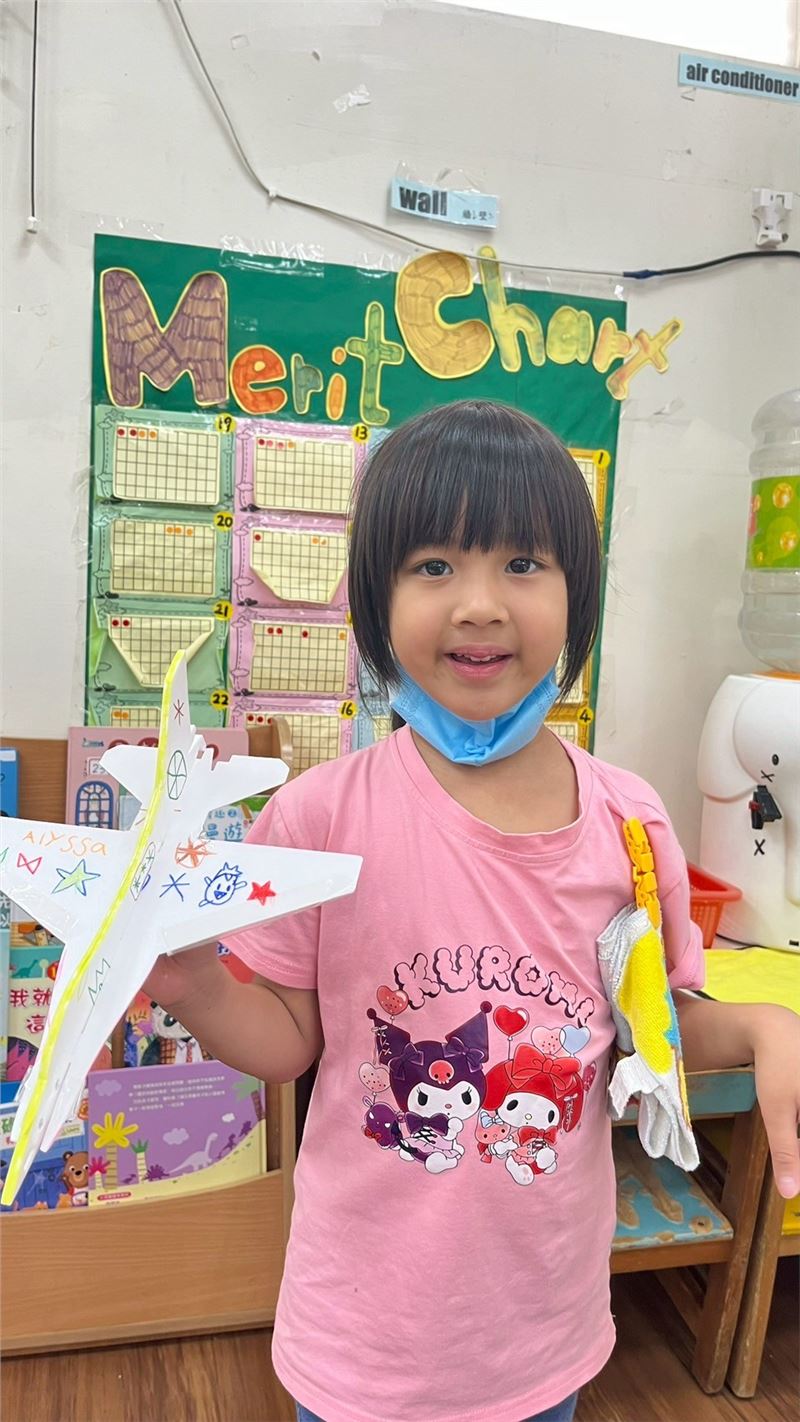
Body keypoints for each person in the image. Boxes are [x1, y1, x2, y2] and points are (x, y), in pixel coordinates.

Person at [144, 401, 800, 1422]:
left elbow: (656, 1030)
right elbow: (286, 1042)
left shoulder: (628, 822)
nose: (480, 605)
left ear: (577, 594)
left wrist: (760, 1025)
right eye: (434, 566)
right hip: (360, 1334)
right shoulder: (318, 816)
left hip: (541, 1334)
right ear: (376, 597)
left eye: (523, 563)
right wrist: (191, 985)